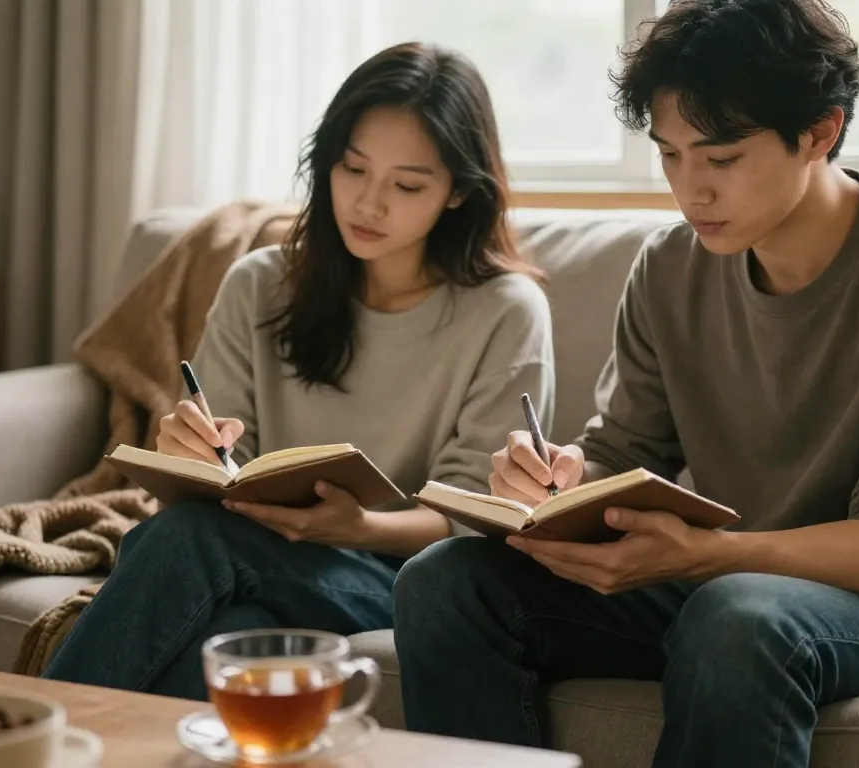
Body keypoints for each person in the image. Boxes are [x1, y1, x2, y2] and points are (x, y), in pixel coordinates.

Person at [392, 2, 859, 766]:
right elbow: (624, 450)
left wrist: (709, 555)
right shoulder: (670, 266)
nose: (689, 189)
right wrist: (562, 482)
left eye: (721, 158)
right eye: (669, 155)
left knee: (737, 614)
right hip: (724, 580)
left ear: (820, 132)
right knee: (446, 580)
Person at [42, 41, 555, 700]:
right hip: (254, 556)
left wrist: (358, 528)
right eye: (352, 168)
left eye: (406, 185)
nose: (369, 203)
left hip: (403, 580)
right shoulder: (261, 282)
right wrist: (190, 459)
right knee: (229, 631)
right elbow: (221, 474)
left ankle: (43, 735)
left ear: (458, 191)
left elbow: (473, 516)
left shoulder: (506, 311)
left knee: (187, 540)